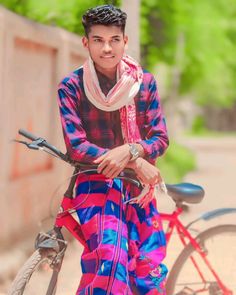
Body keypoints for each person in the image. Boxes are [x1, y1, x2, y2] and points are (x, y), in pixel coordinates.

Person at [57, 4, 169, 295]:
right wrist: (134, 160)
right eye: (98, 40)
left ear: (124, 41)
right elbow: (77, 147)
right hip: (95, 185)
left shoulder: (144, 84)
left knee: (147, 270)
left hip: (139, 190)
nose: (107, 48)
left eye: (114, 40)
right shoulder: (71, 87)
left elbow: (160, 138)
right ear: (86, 43)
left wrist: (131, 150)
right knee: (110, 261)